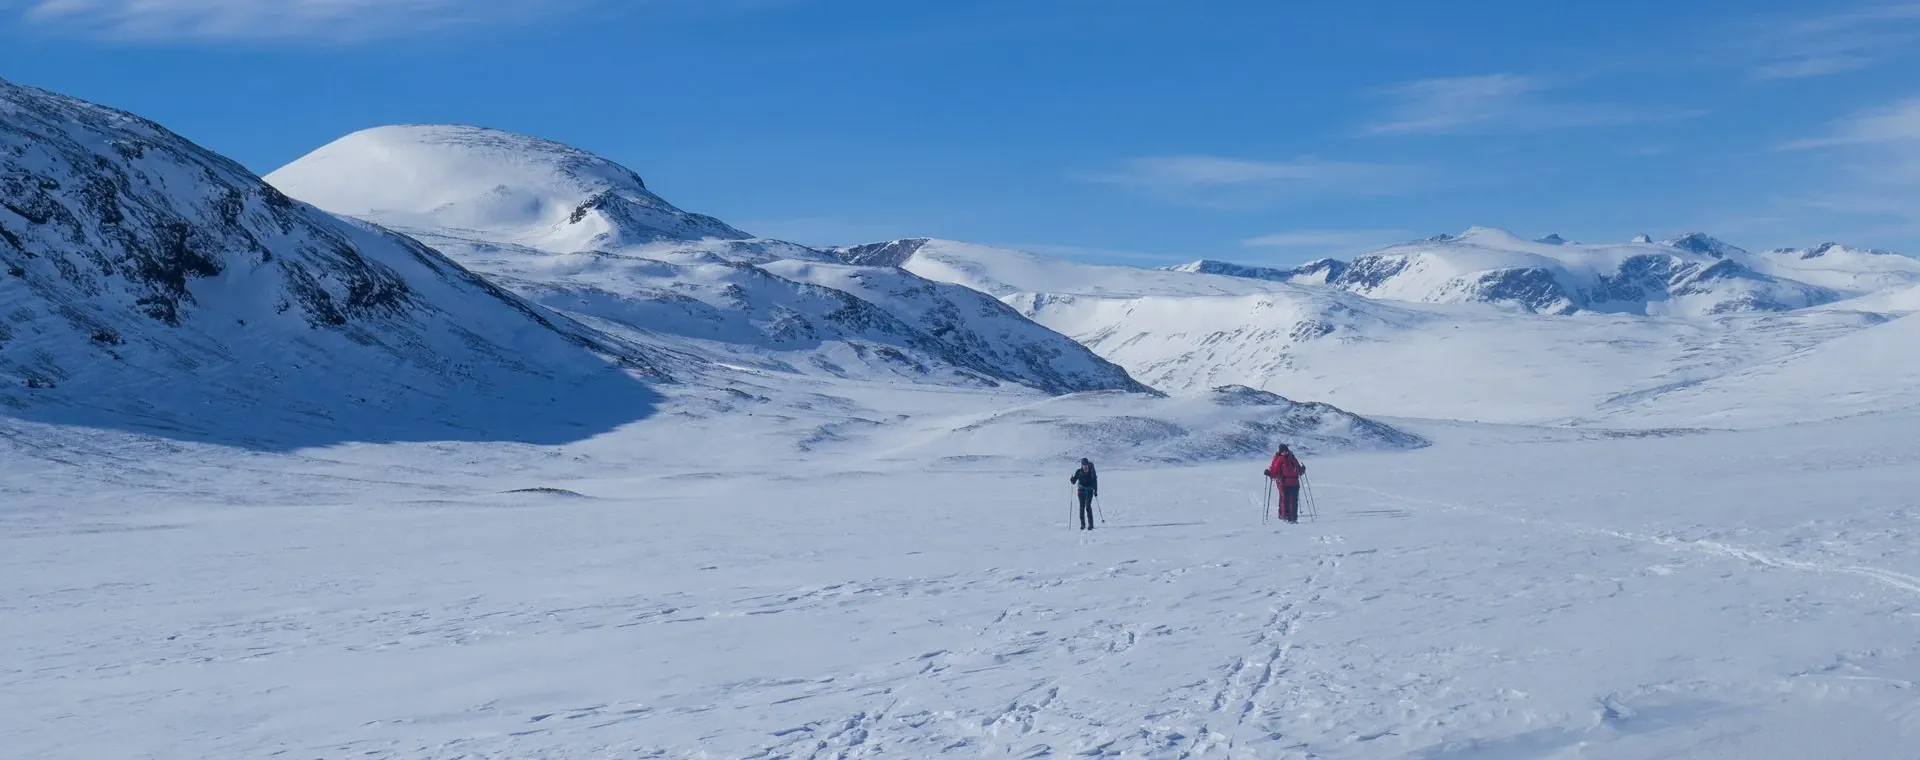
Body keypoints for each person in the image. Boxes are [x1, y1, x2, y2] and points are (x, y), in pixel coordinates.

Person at [1264, 444, 1305, 523]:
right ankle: (1286, 516)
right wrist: (1269, 473)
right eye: (1283, 451)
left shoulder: (1292, 458)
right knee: (1285, 500)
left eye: (1285, 450)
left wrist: (1303, 469)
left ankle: (1293, 518)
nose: (1285, 452)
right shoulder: (1280, 459)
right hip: (1284, 483)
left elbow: (1298, 470)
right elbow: (1275, 471)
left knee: (1293, 501)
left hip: (1293, 483)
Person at [1070, 458, 1098, 530]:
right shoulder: (1079, 472)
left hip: (1089, 491)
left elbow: (1095, 481)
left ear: (1088, 465)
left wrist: (1095, 491)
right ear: (1082, 465)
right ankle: (1083, 524)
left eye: (1086, 465)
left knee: (1088, 506)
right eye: (1083, 465)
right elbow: (1074, 481)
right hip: (1081, 491)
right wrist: (1072, 479)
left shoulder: (1091, 472)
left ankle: (1090, 525)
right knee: (1082, 507)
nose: (1085, 466)